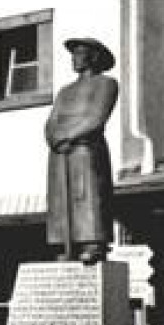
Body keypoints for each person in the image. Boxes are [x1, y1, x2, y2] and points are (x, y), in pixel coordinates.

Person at [44, 37, 119, 265]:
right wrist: (55, 138)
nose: (74, 58)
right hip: (60, 152)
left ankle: (92, 243)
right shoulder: (64, 92)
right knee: (60, 199)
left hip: (86, 149)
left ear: (93, 56)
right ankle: (64, 243)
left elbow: (96, 118)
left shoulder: (106, 83)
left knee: (88, 195)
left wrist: (70, 136)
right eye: (73, 54)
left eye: (79, 53)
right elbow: (51, 121)